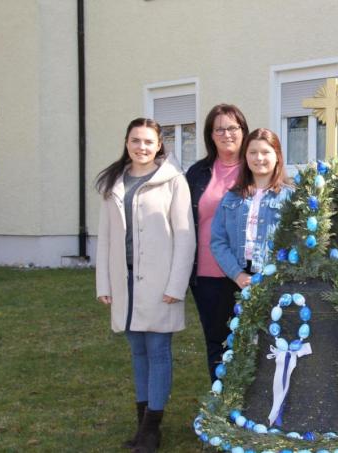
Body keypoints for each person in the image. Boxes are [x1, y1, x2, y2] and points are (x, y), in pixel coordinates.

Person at [95, 118, 194, 452]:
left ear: (159, 145)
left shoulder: (173, 181)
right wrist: (103, 282)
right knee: (138, 352)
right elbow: (105, 237)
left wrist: (176, 285)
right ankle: (141, 427)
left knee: (158, 351)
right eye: (136, 140)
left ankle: (152, 429)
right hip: (125, 282)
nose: (142, 147)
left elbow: (185, 237)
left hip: (160, 283)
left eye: (148, 142)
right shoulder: (114, 182)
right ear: (126, 143)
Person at [184, 104, 250, 382]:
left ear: (243, 131)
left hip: (247, 274)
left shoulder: (256, 165)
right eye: (219, 129)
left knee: (250, 341)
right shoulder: (198, 173)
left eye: (233, 127)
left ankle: (252, 410)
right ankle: (222, 405)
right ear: (210, 135)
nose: (227, 134)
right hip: (208, 275)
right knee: (217, 343)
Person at [210, 128, 292, 288]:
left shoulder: (291, 198)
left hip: (277, 280)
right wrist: (237, 274)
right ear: (245, 157)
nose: (259, 158)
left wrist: (277, 274)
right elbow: (218, 241)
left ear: (277, 157)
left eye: (265, 152)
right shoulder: (231, 197)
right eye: (253, 152)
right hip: (238, 278)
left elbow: (297, 242)